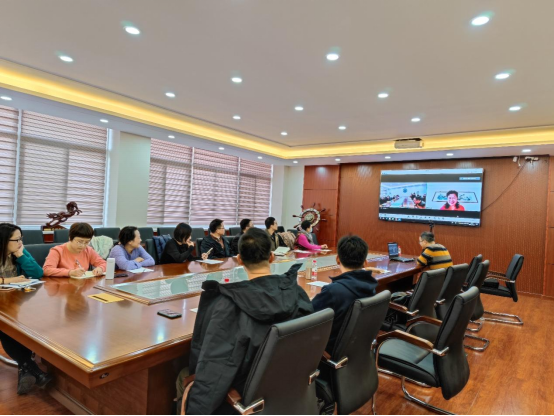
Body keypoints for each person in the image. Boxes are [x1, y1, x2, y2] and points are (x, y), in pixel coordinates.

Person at [179, 228, 314, 414]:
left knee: (182, 377)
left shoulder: (230, 305)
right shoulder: (297, 293)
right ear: (272, 257)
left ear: (239, 260)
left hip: (246, 399)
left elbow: (214, 371)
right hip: (290, 391)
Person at [0, 223, 52, 395]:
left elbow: (37, 273)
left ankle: (27, 368)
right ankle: (33, 370)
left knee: (23, 324)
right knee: (5, 327)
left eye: (21, 238)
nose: (20, 242)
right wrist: (9, 280)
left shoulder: (20, 251)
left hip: (15, 300)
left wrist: (21, 256)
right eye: (16, 240)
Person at [312, 235, 378, 353]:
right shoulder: (371, 287)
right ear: (365, 263)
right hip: (357, 350)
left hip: (329, 353)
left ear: (337, 259)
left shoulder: (332, 291)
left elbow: (307, 318)